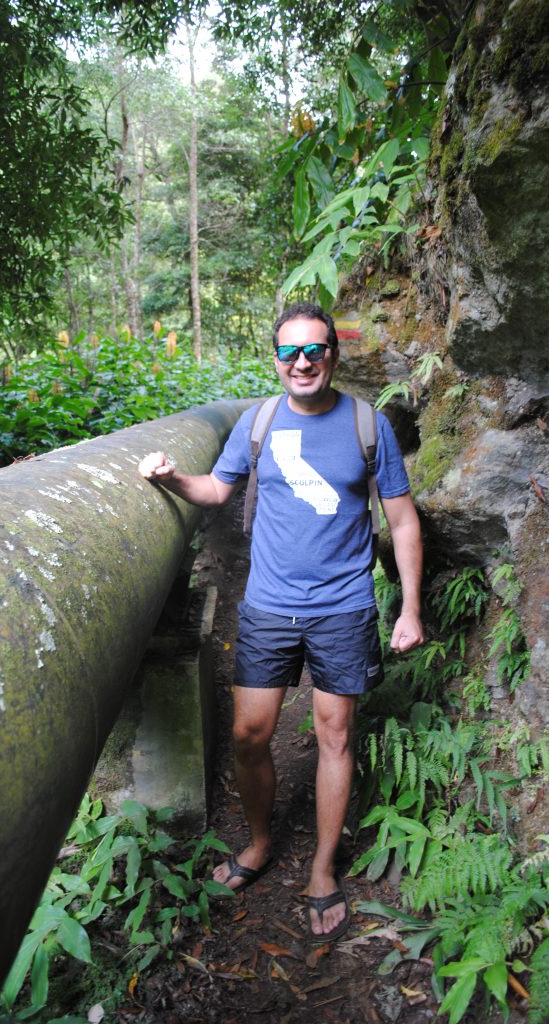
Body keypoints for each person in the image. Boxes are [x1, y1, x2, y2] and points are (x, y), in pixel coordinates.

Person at [138, 302, 424, 941]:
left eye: (314, 351)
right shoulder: (258, 422)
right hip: (268, 604)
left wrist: (409, 606)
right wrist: (172, 477)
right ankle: (261, 844)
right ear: (276, 360)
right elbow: (217, 491)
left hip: (343, 607)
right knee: (248, 733)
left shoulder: (365, 425)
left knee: (334, 735)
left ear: (333, 356)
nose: (303, 362)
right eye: (290, 352)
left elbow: (402, 521)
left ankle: (323, 869)